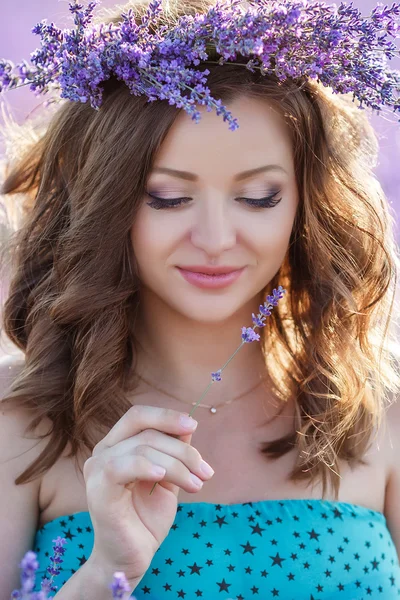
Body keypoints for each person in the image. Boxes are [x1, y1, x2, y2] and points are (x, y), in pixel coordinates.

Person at [0, 0, 400, 598]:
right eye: (166, 197)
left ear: (305, 205)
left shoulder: (382, 413)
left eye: (259, 197)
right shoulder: (18, 424)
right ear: (103, 204)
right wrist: (109, 569)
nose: (215, 240)